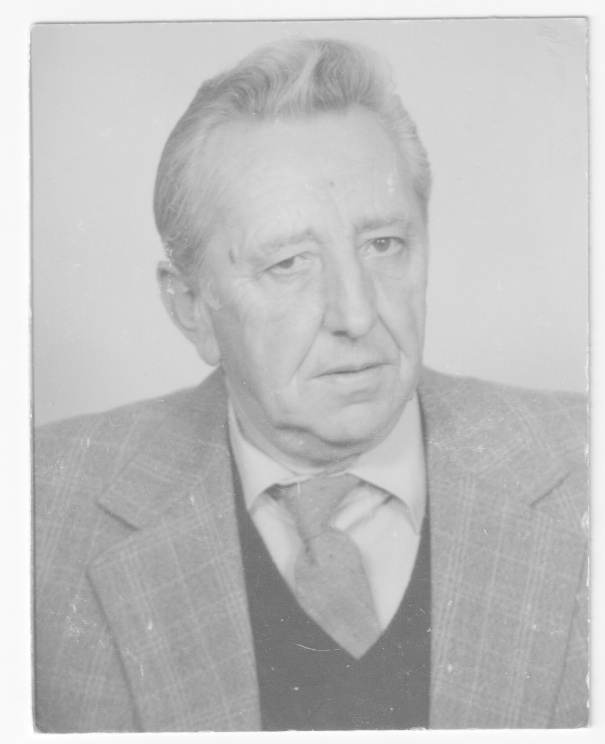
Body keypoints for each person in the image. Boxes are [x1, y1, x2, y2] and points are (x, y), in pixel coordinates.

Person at [34, 38, 588, 732]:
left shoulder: (585, 465)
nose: (356, 315)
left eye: (383, 245)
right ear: (191, 307)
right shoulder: (35, 508)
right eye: (289, 263)